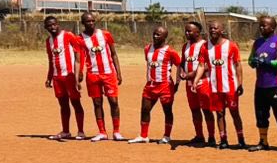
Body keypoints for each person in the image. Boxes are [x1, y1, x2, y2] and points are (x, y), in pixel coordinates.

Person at [193, 21, 246, 149]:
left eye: (216, 28)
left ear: (221, 30)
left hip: (230, 86)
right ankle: (223, 140)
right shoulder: (205, 47)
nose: (213, 30)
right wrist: (196, 80)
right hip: (215, 87)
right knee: (220, 113)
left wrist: (240, 83)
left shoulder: (231, 45)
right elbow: (201, 65)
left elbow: (238, 65)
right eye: (211, 28)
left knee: (234, 113)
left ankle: (241, 140)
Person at [247, 15, 277, 153]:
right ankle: (263, 142)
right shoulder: (257, 43)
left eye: (264, 25)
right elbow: (250, 60)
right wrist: (253, 62)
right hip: (261, 85)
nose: (261, 28)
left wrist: (270, 63)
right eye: (260, 25)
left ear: (273, 27)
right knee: (261, 113)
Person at [129, 25, 181, 144]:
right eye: (154, 34)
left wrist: (177, 83)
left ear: (164, 37)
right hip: (150, 85)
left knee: (167, 111)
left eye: (158, 34)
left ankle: (167, 136)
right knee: (145, 109)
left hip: (165, 85)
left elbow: (179, 65)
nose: (155, 36)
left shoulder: (170, 51)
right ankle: (143, 136)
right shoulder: (147, 48)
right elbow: (149, 64)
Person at [79, 11, 125, 141]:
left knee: (113, 102)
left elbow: (114, 54)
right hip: (92, 75)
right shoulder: (80, 39)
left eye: (93, 21)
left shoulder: (105, 34)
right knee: (97, 103)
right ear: (83, 23)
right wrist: (79, 74)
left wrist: (118, 72)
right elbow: (80, 59)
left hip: (108, 73)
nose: (91, 23)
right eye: (88, 21)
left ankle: (116, 131)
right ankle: (102, 132)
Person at [43, 16, 86, 140]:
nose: (52, 27)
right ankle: (66, 131)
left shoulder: (68, 36)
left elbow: (79, 55)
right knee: (63, 105)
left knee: (76, 103)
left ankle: (81, 131)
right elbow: (51, 60)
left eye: (54, 24)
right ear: (46, 28)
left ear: (58, 24)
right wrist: (49, 77)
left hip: (70, 76)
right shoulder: (48, 41)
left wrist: (79, 73)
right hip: (57, 77)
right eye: (49, 25)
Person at [180, 21, 211, 146]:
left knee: (206, 110)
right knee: (194, 109)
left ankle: (211, 137)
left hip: (203, 82)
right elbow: (182, 62)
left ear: (198, 32)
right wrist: (182, 73)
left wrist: (192, 74)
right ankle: (199, 135)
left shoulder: (205, 45)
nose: (186, 33)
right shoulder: (185, 46)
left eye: (189, 31)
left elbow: (208, 65)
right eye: (186, 31)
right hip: (189, 84)